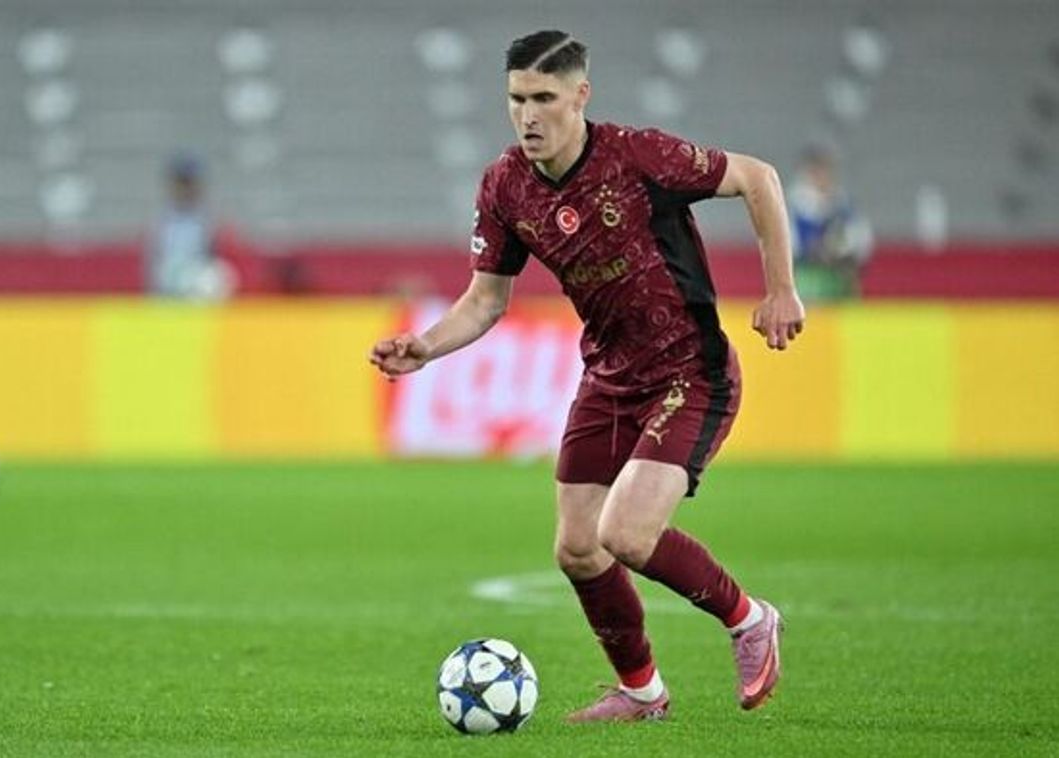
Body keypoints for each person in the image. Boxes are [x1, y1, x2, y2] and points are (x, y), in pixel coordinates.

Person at [370, 31, 805, 722]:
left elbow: (760, 178)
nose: (527, 115)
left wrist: (780, 288)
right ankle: (642, 693)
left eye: (543, 98)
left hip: (688, 372)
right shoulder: (505, 185)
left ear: (580, 96)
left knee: (625, 534)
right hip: (608, 376)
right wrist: (425, 346)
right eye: (516, 99)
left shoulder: (639, 157)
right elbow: (485, 300)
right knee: (577, 548)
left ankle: (749, 620)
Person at [789, 143, 873, 302]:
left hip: (839, 279)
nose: (822, 176)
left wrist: (842, 253)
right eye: (816, 170)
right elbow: (791, 245)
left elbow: (859, 240)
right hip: (808, 281)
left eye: (825, 169)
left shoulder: (843, 204)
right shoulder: (796, 206)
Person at [144, 154, 232, 299]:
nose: (186, 189)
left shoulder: (207, 220)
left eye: (189, 183)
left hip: (197, 290)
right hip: (168, 289)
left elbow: (212, 261)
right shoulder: (162, 221)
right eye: (182, 183)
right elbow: (155, 263)